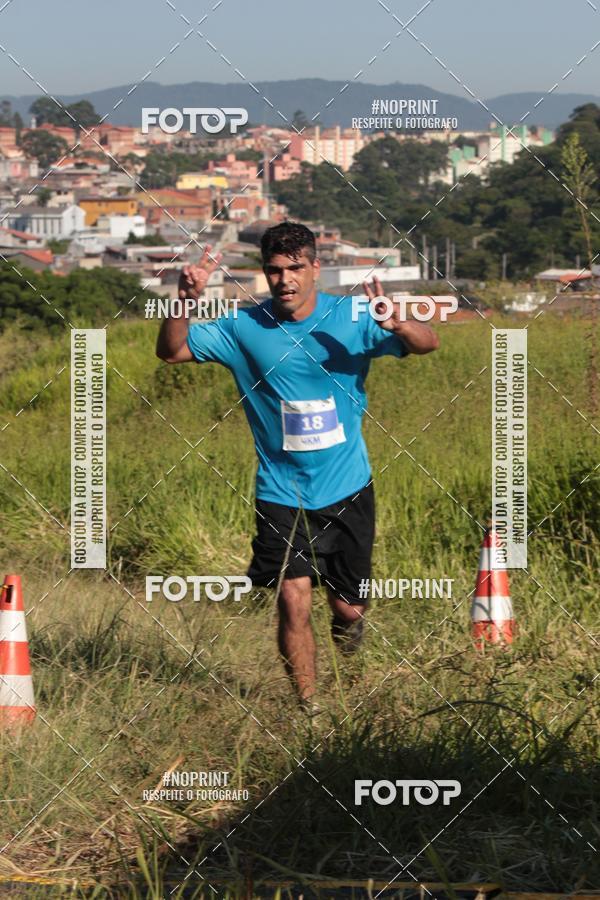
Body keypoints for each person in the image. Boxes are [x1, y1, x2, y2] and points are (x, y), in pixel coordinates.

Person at [156, 222, 439, 713]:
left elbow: (427, 344)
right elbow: (172, 351)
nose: (285, 279)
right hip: (282, 492)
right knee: (292, 598)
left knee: (348, 608)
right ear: (264, 273)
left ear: (315, 268)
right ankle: (308, 709)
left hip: (348, 486)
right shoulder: (244, 328)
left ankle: (351, 664)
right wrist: (183, 300)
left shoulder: (352, 315)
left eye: (295, 268)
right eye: (274, 270)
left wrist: (399, 324)